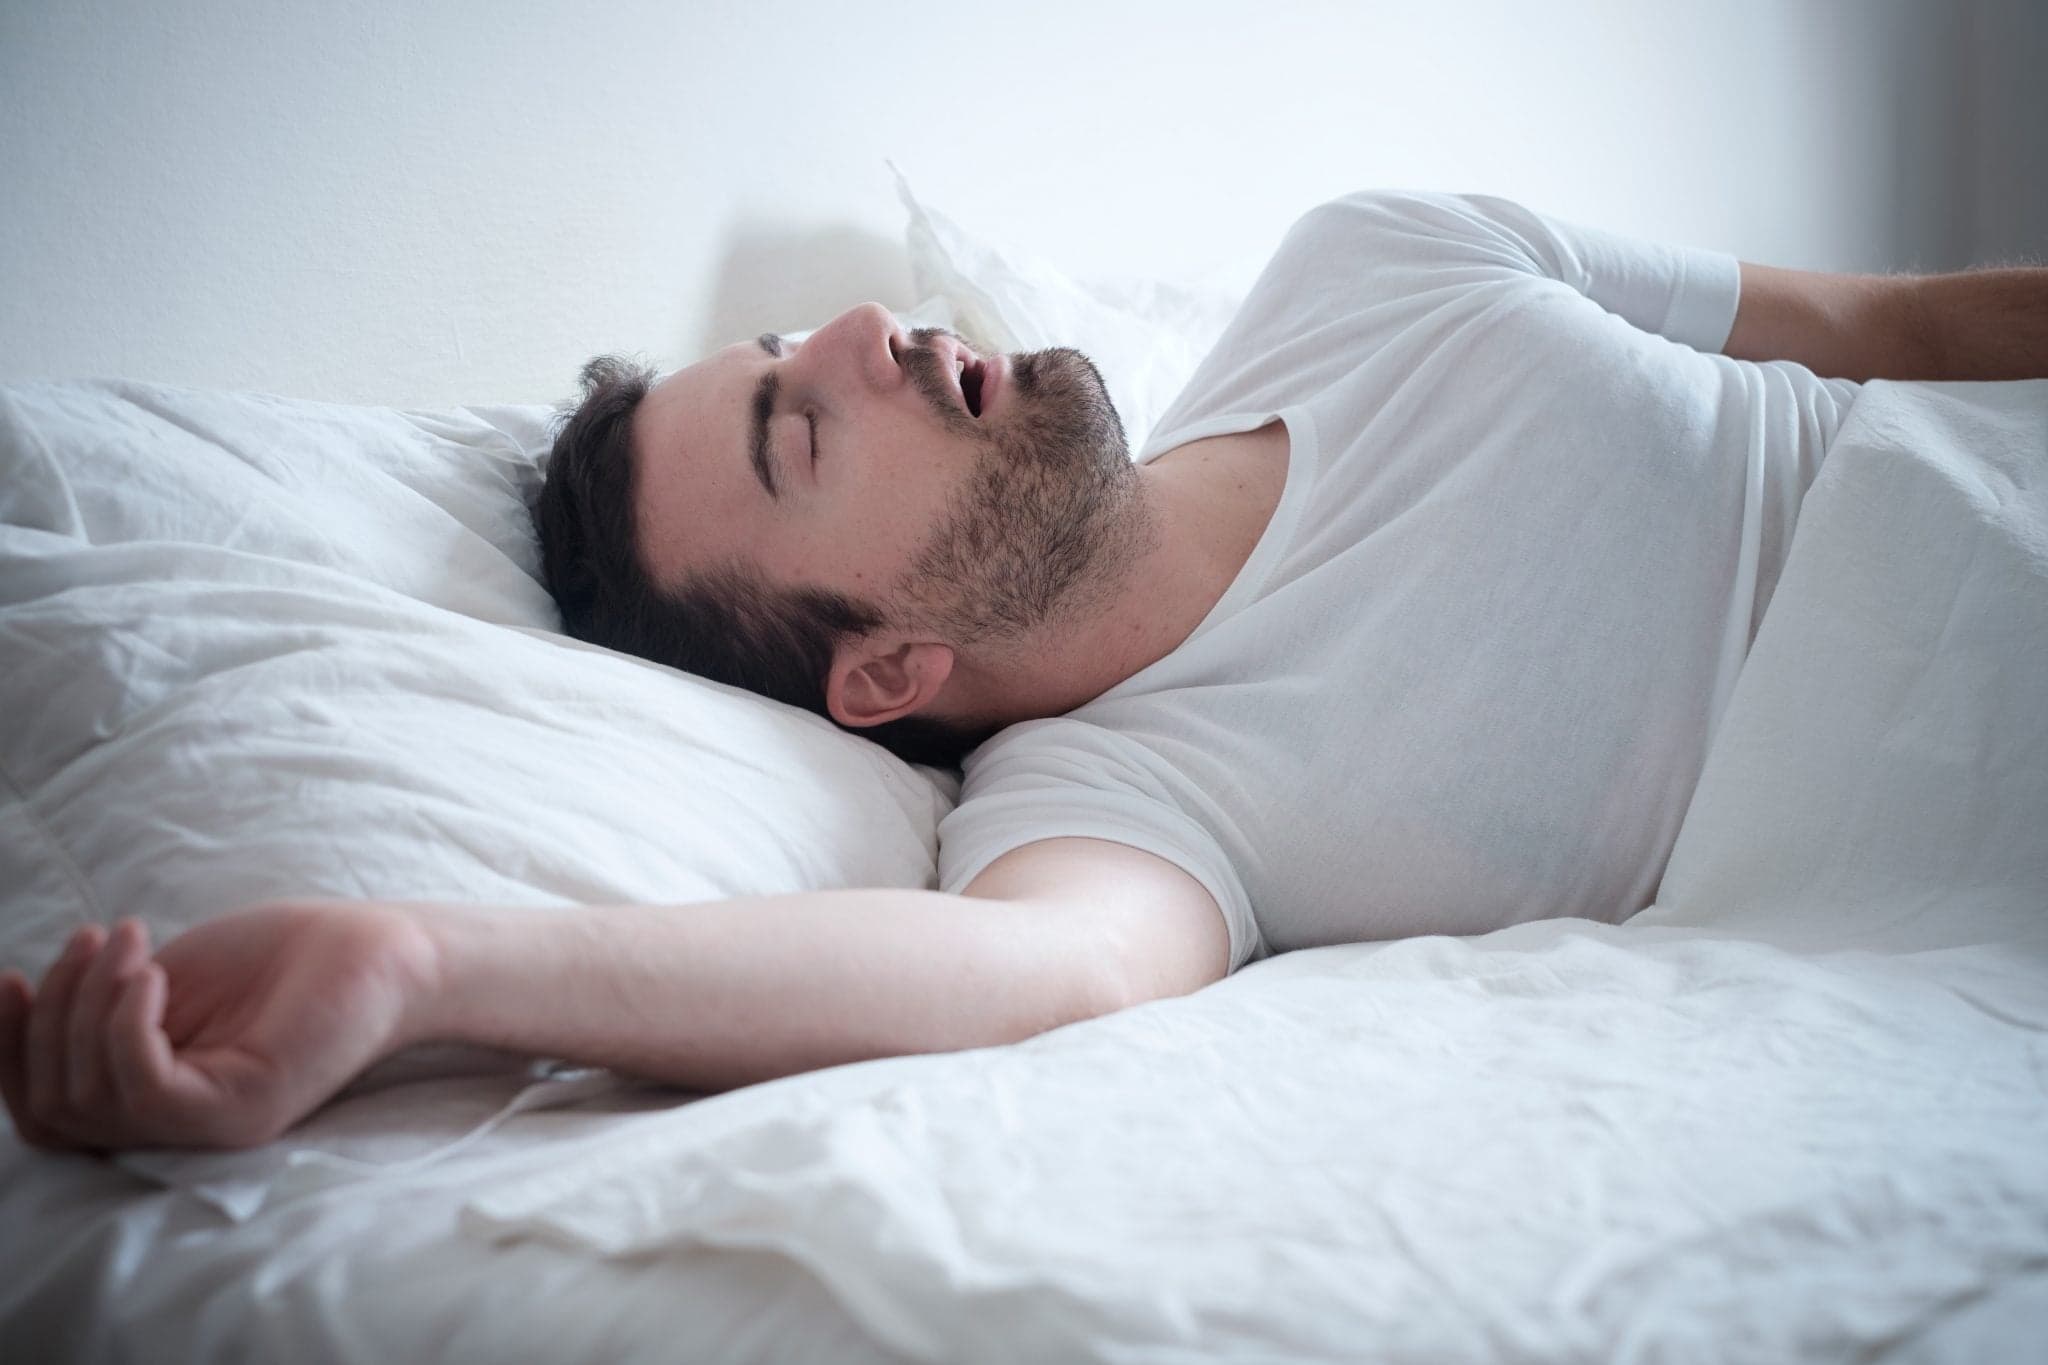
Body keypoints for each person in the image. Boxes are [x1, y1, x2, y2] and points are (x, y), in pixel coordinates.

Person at [4, 191, 2043, 1154]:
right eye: (806, 428)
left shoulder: (1382, 264)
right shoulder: (1118, 810)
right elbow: (1013, 982)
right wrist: (422, 969)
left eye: (814, 336)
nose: (878, 329)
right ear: (887, 667)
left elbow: (1897, 317)